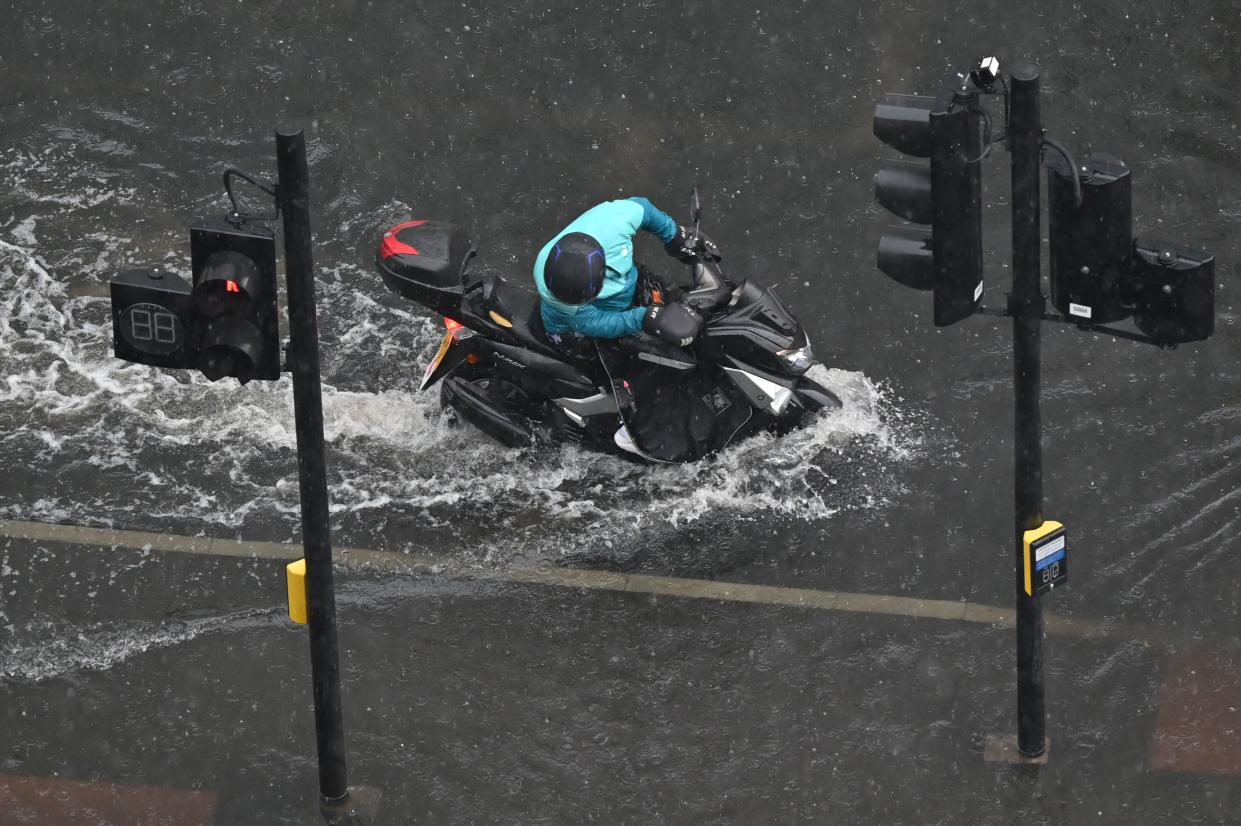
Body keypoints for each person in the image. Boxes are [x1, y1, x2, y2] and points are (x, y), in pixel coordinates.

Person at [532, 196, 705, 352]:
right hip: (571, 327)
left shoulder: (615, 223)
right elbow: (596, 322)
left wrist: (674, 235)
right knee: (614, 361)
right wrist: (643, 318)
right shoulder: (559, 298)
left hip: (623, 283)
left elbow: (643, 208)